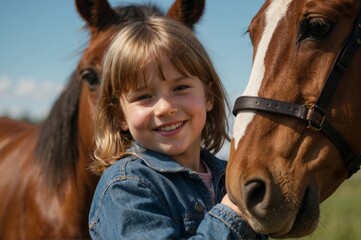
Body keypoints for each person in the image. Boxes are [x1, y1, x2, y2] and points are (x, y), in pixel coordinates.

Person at [88, 15, 268, 239]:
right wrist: (231, 212)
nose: (165, 108)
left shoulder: (229, 175)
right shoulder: (125, 188)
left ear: (208, 96)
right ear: (119, 116)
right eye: (144, 96)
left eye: (180, 87)